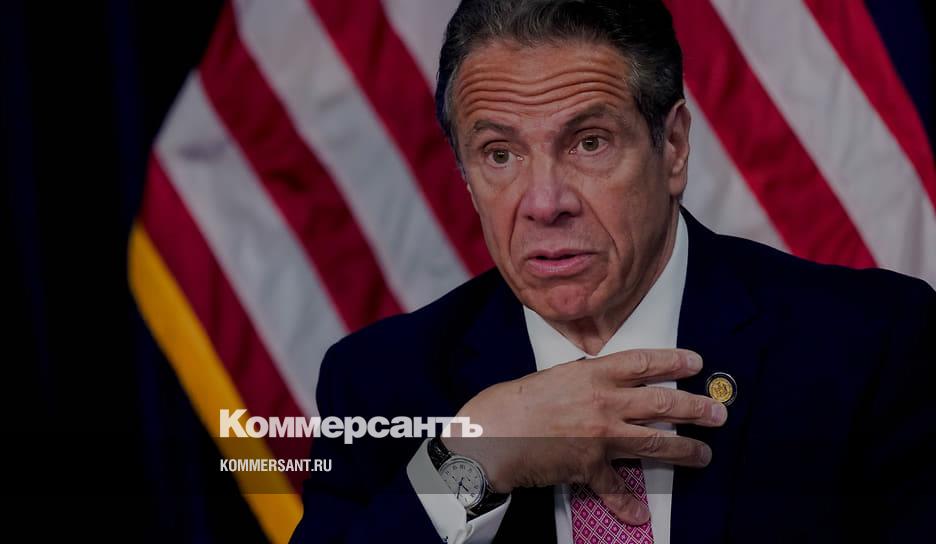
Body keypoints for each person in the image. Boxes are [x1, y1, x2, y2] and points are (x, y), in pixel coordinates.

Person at [290, 1, 935, 542]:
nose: (545, 203)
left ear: (673, 146)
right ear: (465, 173)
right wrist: (475, 457)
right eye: (500, 154)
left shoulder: (868, 345)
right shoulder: (379, 384)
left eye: (589, 142)